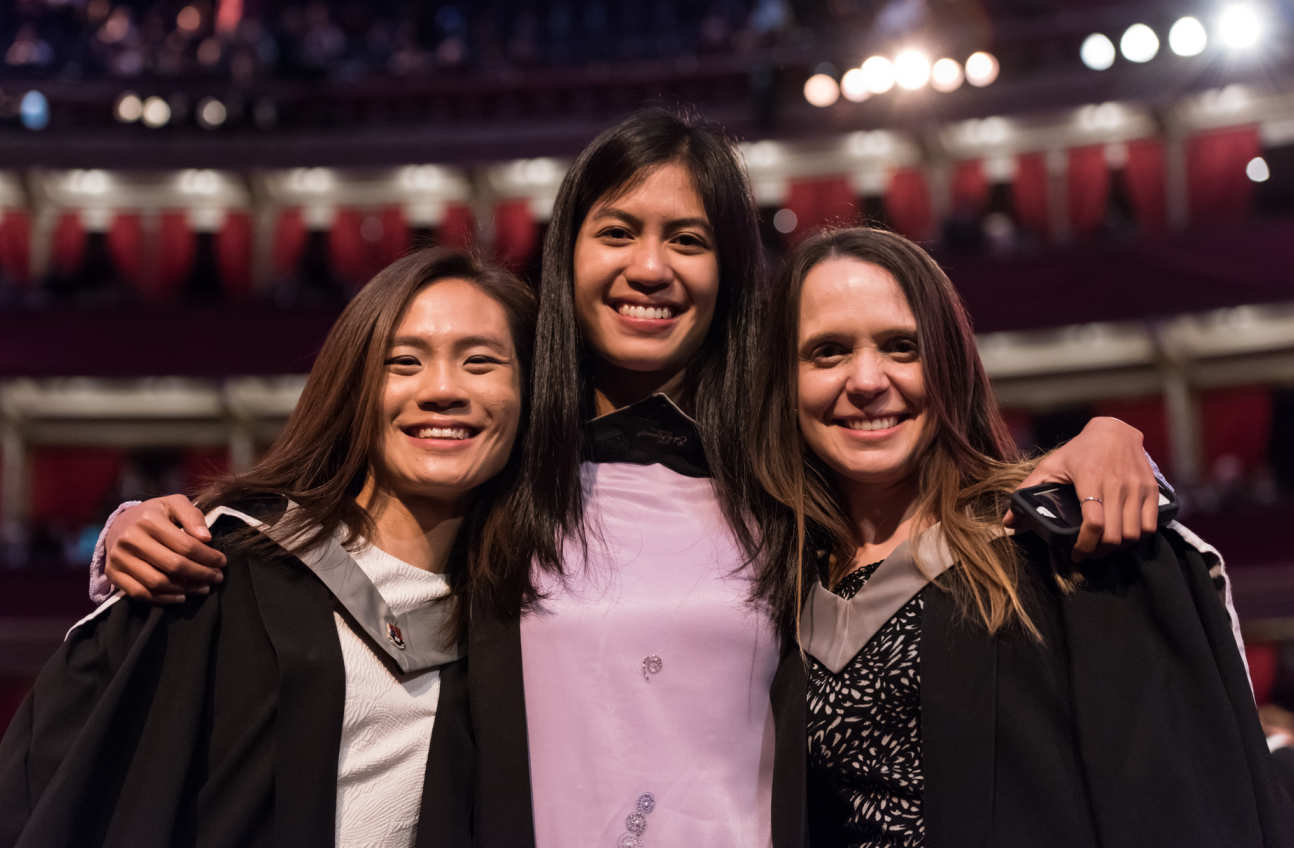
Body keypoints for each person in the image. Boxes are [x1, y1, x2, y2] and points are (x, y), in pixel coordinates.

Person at [86, 109, 1174, 846]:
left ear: (729, 271)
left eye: (687, 238)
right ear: (568, 253)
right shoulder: (502, 473)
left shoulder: (781, 478)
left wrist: (1092, 444)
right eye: (618, 231)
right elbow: (348, 520)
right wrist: (141, 522)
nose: (650, 266)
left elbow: (917, 468)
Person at [754, 226, 1290, 847]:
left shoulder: (1053, 542)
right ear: (784, 383)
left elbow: (1181, 805)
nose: (868, 379)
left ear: (949, 363)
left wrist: (1111, 437)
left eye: (903, 347)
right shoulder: (776, 586)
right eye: (828, 352)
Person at [0, 249, 537, 848]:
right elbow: (65, 774)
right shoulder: (221, 571)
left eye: (481, 362)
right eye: (404, 362)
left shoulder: (524, 617)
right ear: (354, 388)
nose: (443, 389)